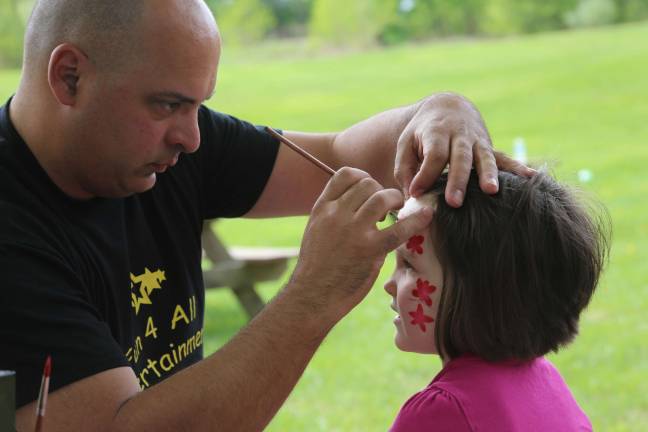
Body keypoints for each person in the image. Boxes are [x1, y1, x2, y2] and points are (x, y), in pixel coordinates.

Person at [0, 0, 532, 430]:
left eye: (198, 105)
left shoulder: (161, 150)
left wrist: (439, 112)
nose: (192, 137)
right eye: (167, 105)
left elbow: (341, 156)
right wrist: (314, 293)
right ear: (69, 77)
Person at [384, 170, 610, 431]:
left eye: (409, 266)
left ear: (478, 291)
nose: (389, 284)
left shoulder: (443, 413)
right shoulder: (544, 382)